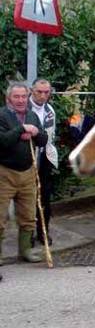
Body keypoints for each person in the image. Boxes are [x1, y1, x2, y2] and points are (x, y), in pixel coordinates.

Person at [0, 82, 48, 264]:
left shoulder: (32, 115)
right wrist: (21, 129)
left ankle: (25, 251)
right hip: (4, 173)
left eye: (23, 96)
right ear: (8, 98)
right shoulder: (2, 115)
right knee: (0, 217)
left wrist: (35, 132)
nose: (20, 100)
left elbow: (43, 140)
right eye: (16, 97)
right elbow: (3, 141)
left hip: (28, 172)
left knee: (28, 215)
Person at [29, 79, 58, 246]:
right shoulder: (25, 109)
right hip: (28, 158)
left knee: (45, 198)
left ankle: (43, 232)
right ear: (32, 91)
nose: (43, 95)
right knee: (28, 199)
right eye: (39, 92)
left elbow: (50, 137)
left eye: (46, 92)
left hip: (45, 158)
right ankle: (28, 235)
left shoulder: (50, 111)